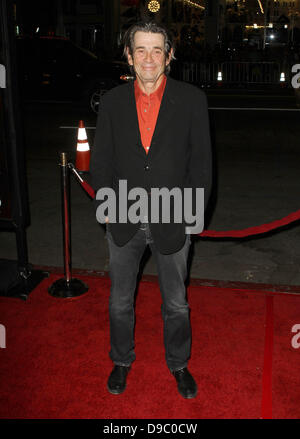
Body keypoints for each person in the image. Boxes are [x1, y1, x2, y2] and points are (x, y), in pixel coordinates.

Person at [90, 21, 212, 399]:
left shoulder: (192, 100)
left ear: (169, 56)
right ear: (128, 56)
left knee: (176, 303)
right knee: (119, 302)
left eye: (157, 50)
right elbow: (102, 161)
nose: (148, 59)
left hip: (173, 217)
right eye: (140, 50)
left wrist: (192, 214)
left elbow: (202, 166)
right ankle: (121, 359)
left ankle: (178, 363)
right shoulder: (111, 102)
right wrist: (105, 205)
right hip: (123, 219)